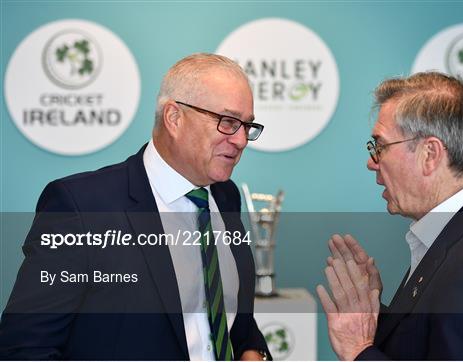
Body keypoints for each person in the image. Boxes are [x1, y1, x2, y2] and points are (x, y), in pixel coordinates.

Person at [0, 53, 271, 360]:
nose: (240, 140)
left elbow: (228, 314)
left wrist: (252, 350)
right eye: (228, 122)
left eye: (246, 126)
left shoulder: (226, 196)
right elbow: (24, 348)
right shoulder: (82, 208)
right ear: (174, 118)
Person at [317, 72, 463, 360]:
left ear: (430, 154)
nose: (372, 163)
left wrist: (358, 351)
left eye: (380, 146)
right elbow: (431, 341)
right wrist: (375, 318)